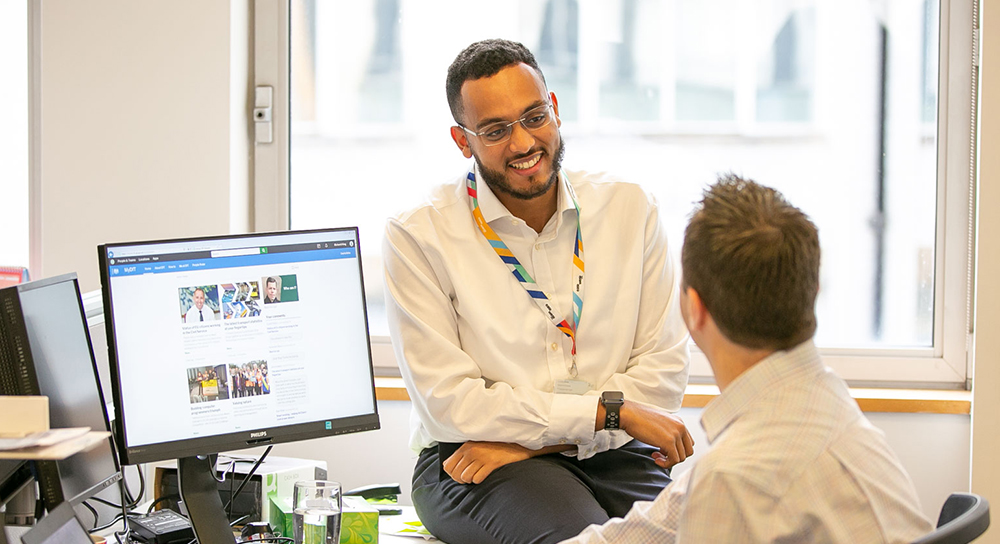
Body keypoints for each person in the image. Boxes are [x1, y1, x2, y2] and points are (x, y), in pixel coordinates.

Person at [383, 39, 692, 544]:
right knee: (582, 539)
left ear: (555, 110)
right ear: (462, 141)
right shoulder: (419, 234)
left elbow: (661, 380)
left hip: (596, 451)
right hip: (472, 462)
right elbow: (452, 405)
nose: (523, 142)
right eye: (495, 130)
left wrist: (537, 442)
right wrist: (607, 412)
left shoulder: (631, 209)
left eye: (533, 117)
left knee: (692, 532)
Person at [561, 176, 934, 543]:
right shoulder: (829, 407)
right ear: (813, 290)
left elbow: (725, 487)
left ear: (694, 309)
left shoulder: (734, 478)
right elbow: (664, 521)